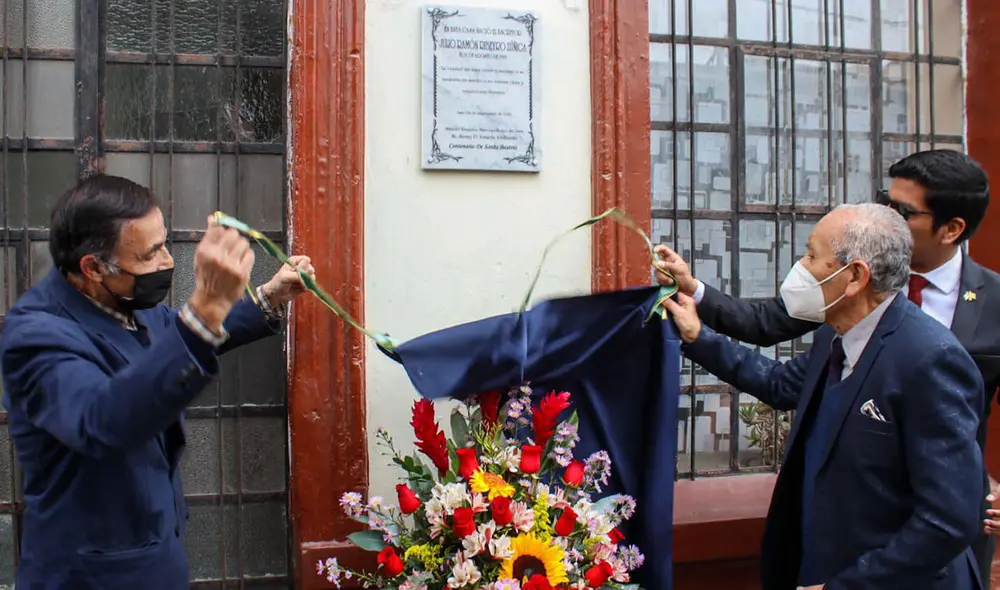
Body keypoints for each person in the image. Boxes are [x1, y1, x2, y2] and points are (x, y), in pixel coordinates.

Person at [656, 148, 1000, 586]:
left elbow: (945, 520)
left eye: (810, 257)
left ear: (856, 276)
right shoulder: (838, 325)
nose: (800, 269)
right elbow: (780, 380)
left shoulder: (932, 356)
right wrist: (697, 336)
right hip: (830, 552)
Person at [0, 175, 314, 590]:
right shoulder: (34, 337)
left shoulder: (125, 303)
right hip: (90, 575)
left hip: (156, 557)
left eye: (164, 242)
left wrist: (268, 297)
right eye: (151, 253)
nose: (167, 261)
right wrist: (205, 310)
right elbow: (104, 419)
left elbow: (177, 334)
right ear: (94, 267)